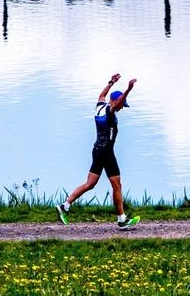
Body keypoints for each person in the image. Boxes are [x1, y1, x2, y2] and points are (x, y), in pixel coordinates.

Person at [57, 73, 140, 229]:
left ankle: (64, 206)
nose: (122, 107)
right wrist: (128, 89)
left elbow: (102, 95)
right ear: (116, 101)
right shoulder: (110, 110)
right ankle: (121, 219)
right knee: (117, 185)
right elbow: (116, 104)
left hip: (97, 150)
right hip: (106, 152)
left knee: (90, 184)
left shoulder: (100, 106)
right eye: (123, 104)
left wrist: (111, 82)